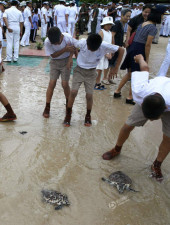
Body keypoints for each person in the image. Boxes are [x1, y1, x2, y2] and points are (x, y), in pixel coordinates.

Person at [102, 54, 170, 182]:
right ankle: (117, 149)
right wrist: (140, 59)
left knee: (169, 137)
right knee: (128, 125)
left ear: (164, 110)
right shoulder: (139, 91)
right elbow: (145, 69)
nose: (150, 121)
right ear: (142, 103)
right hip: (151, 95)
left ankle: (157, 164)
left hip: (166, 96)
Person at [63, 34, 125, 127]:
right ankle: (68, 115)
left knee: (89, 95)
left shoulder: (104, 45)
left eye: (94, 49)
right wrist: (70, 59)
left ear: (99, 46)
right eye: (89, 48)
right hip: (79, 70)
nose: (91, 50)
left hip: (92, 72)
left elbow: (121, 50)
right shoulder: (82, 42)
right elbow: (73, 44)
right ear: (86, 43)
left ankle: (88, 116)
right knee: (73, 91)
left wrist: (116, 68)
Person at [115, 6, 166, 105]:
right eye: (163, 15)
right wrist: (146, 59)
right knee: (136, 74)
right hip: (139, 50)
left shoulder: (143, 23)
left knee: (129, 73)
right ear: (158, 16)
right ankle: (130, 97)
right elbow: (148, 45)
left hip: (132, 48)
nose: (163, 17)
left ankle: (117, 91)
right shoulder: (152, 28)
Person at [43, 27, 76, 118]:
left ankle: (68, 106)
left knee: (65, 84)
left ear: (61, 36)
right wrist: (65, 49)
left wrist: (70, 59)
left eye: (57, 42)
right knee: (52, 83)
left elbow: (73, 48)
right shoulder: (47, 41)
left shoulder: (67, 37)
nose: (56, 44)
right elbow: (53, 55)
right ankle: (47, 106)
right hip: (54, 62)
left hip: (66, 61)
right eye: (54, 43)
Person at [94, 17, 114, 90]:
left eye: (110, 25)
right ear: (104, 25)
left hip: (107, 53)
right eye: (107, 24)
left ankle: (98, 82)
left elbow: (111, 44)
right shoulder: (101, 32)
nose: (109, 26)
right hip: (101, 53)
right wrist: (105, 53)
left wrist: (111, 53)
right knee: (98, 69)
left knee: (102, 68)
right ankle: (96, 83)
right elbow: (99, 44)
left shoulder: (110, 33)